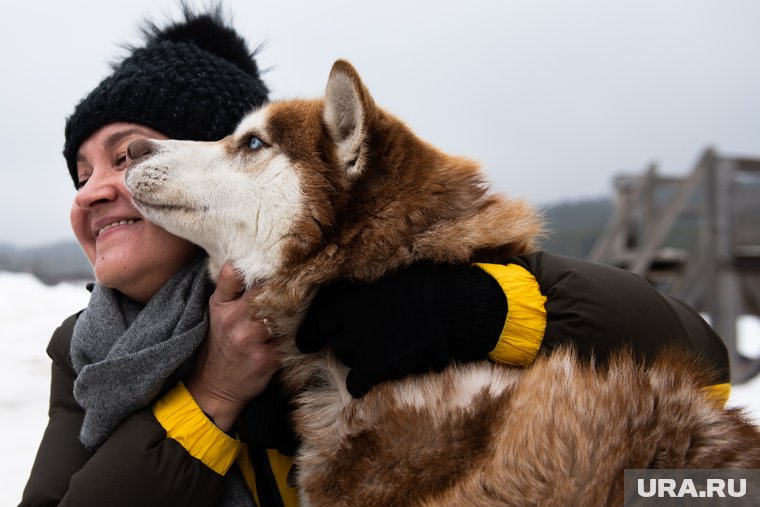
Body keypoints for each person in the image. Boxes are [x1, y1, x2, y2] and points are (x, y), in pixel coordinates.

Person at [20, 7, 730, 507]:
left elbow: (701, 365)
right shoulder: (84, 351)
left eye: (127, 154)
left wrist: (484, 311)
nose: (94, 191)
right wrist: (212, 396)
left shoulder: (376, 277)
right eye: (80, 173)